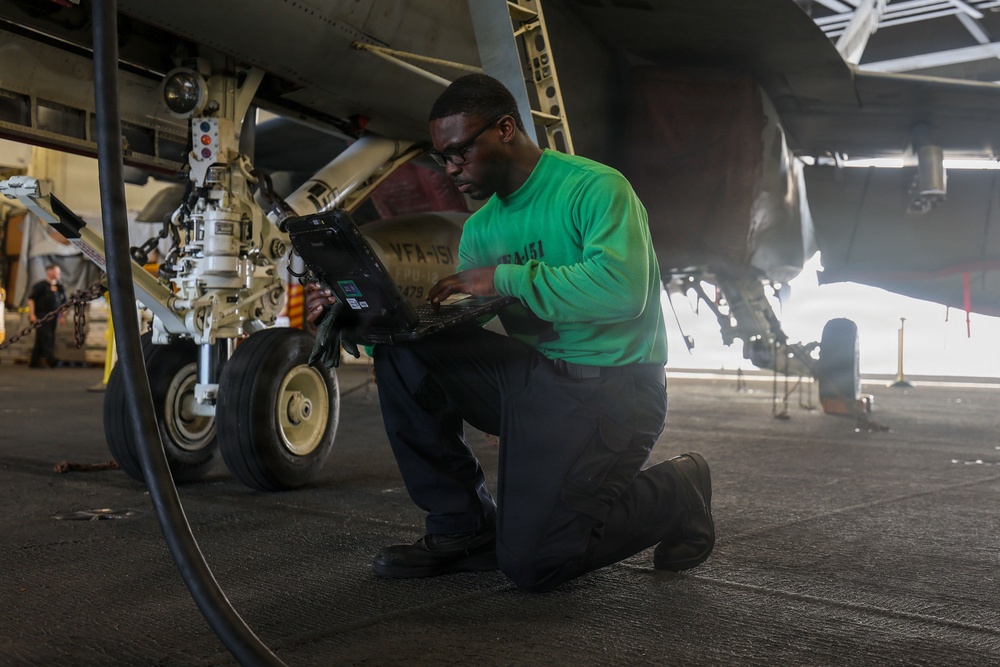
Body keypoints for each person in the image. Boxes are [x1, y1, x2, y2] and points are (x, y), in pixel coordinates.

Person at [306, 74, 714, 593]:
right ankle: (464, 529)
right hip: (537, 381)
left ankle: (678, 490)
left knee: (534, 563)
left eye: (458, 153)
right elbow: (458, 321)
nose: (451, 171)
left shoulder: (594, 188)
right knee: (408, 354)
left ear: (504, 129)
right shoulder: (482, 228)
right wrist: (362, 318)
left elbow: (623, 291)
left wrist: (504, 278)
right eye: (442, 159)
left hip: (614, 389)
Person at [27, 264, 66, 368]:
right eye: (57, 272)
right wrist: (32, 315)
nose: (59, 275)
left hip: (53, 316)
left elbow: (64, 303)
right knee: (46, 336)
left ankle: (34, 362)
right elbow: (31, 300)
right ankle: (51, 360)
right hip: (41, 315)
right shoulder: (40, 286)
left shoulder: (60, 287)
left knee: (41, 338)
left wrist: (62, 316)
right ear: (50, 273)